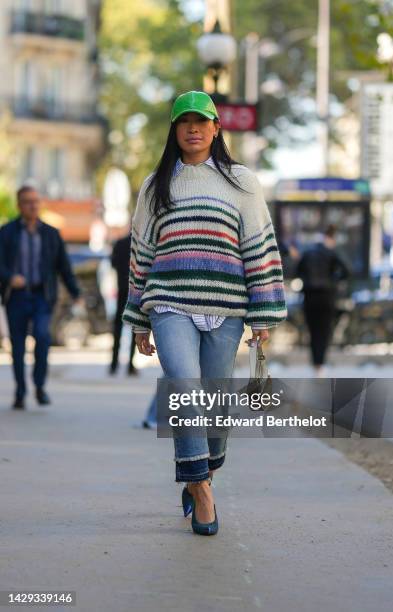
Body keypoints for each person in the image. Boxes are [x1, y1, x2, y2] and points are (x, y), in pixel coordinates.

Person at [122, 90, 287, 536]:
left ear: (217, 128)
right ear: (174, 131)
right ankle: (201, 488)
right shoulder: (155, 185)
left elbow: (259, 249)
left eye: (202, 121)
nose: (193, 128)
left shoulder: (241, 182)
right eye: (183, 122)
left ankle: (203, 470)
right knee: (185, 388)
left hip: (226, 309)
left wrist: (263, 314)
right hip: (169, 303)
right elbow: (141, 255)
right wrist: (138, 318)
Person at [0, 186, 82, 409]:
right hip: (16, 296)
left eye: (36, 201)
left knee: (42, 337)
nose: (33, 205)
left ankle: (39, 386)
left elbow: (63, 266)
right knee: (17, 346)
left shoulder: (50, 233)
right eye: (27, 201)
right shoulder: (6, 233)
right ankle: (19, 391)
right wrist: (9, 277)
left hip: (42, 296)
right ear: (19, 205)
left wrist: (76, 293)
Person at [295, 224, 349, 376]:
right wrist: (334, 281)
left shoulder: (307, 253)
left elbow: (297, 271)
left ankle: (315, 364)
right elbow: (346, 271)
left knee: (312, 331)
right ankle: (321, 364)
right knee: (324, 331)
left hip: (309, 296)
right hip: (327, 296)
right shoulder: (330, 253)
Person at [110, 232, 137, 375]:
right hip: (136, 290)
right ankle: (130, 366)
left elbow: (113, 263)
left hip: (122, 288)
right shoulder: (141, 243)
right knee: (135, 327)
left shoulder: (120, 243)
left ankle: (113, 364)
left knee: (117, 328)